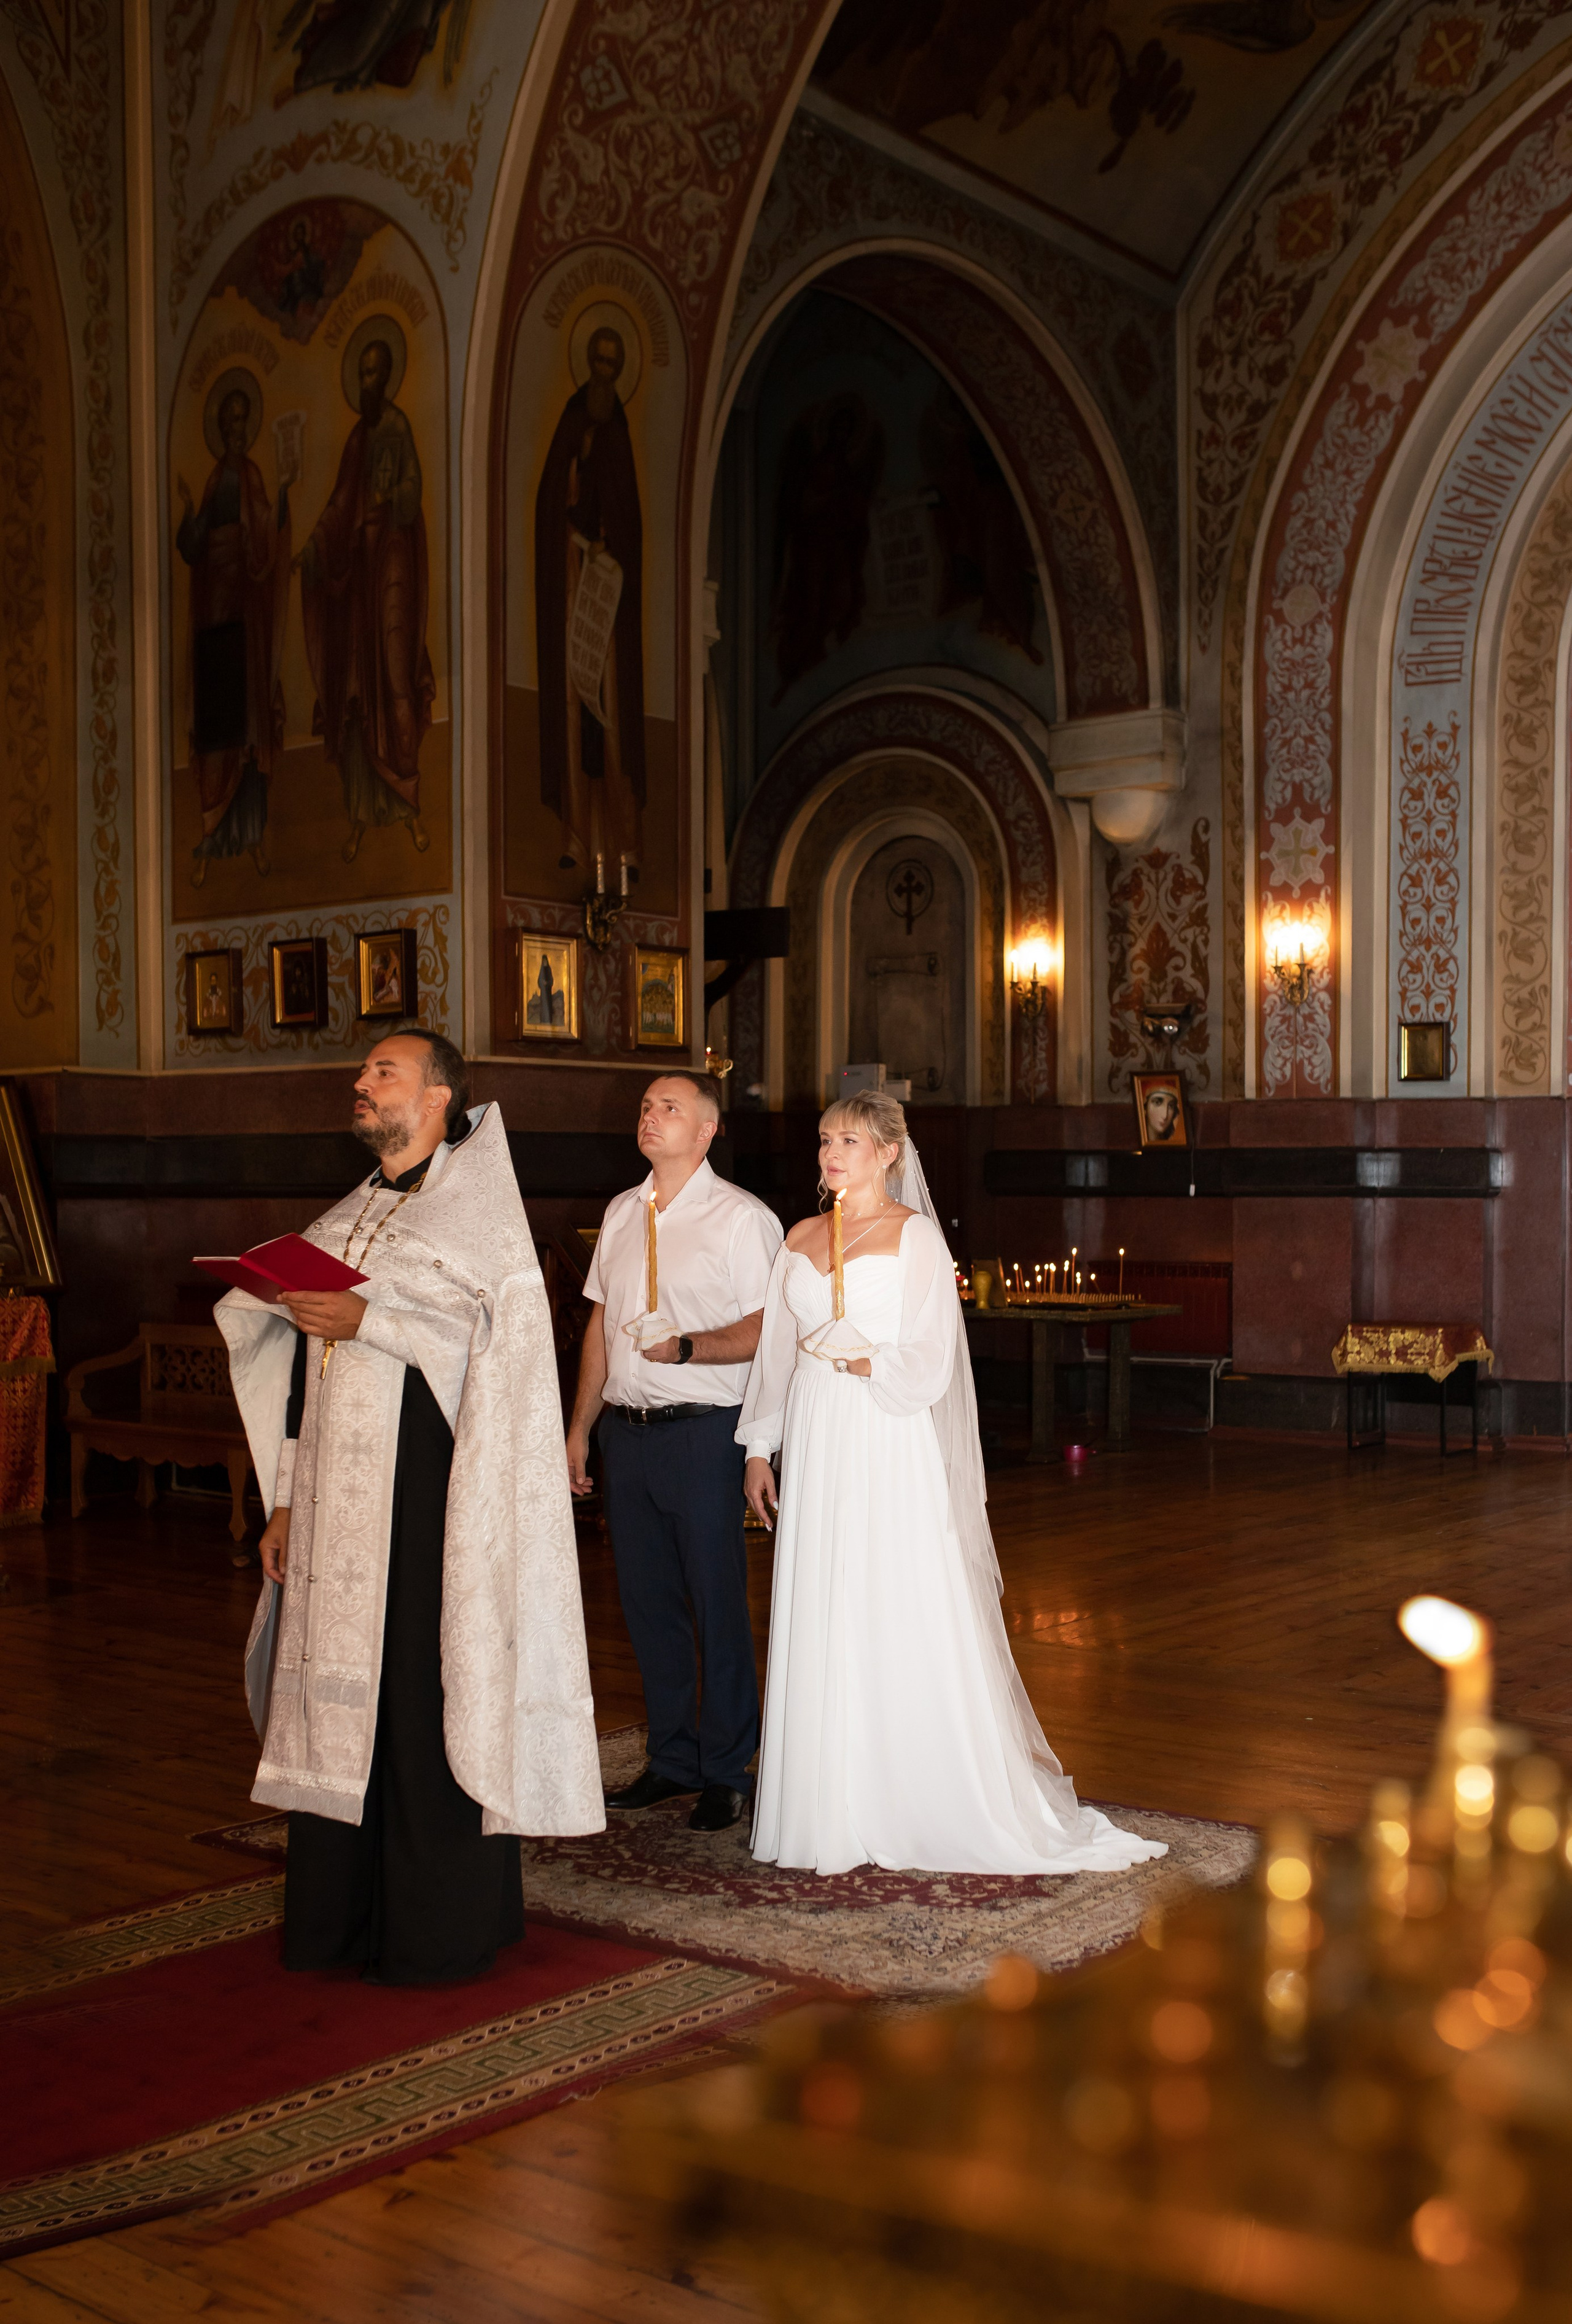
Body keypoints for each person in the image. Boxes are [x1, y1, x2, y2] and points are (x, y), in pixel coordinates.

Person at [217, 1030, 602, 1983]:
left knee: (424, 1699)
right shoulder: (348, 1217)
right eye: (362, 1072)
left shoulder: (481, 1219)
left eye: (381, 1073)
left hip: (436, 1505)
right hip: (339, 1512)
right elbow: (308, 1368)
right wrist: (287, 1502)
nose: (360, 1083)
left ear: (437, 1097)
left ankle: (437, 1931)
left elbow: (497, 1361)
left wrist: (372, 1319)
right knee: (342, 1706)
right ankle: (338, 1921)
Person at [739, 1086, 1169, 1878]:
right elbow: (775, 1353)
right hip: (818, 1429)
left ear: (890, 1153)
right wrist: (760, 1446)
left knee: (892, 1598)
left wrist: (863, 1357)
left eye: (852, 1142)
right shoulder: (798, 1235)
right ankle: (826, 1801)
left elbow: (934, 1358)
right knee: (822, 1598)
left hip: (884, 1433)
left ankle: (918, 1792)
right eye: (827, 1140)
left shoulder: (916, 1240)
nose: (833, 1154)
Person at [566, 1073, 782, 1832]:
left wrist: (691, 1347)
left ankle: (728, 1767)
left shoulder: (740, 1218)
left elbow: (769, 1326)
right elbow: (599, 1325)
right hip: (628, 1434)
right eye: (647, 1105)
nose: (650, 1117)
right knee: (648, 1603)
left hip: (703, 1432)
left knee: (715, 1601)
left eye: (670, 1108)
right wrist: (578, 1427)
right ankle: (672, 1758)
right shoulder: (622, 1211)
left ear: (707, 1131)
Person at [298, 336, 435, 865]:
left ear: (389, 377)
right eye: (363, 375)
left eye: (376, 374)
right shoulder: (357, 439)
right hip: (358, 572)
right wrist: (312, 547)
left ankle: (409, 804)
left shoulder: (398, 427)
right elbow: (338, 504)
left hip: (393, 560)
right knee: (357, 690)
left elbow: (413, 488)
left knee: (396, 678)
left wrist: (389, 500)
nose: (368, 384)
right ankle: (358, 814)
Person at [534, 324, 645, 876]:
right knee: (577, 703)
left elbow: (631, 521)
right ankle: (577, 833)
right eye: (597, 361)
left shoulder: (621, 432)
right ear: (587, 365)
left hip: (609, 586)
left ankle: (622, 840)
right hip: (577, 575)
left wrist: (615, 546)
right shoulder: (572, 423)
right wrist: (572, 478)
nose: (603, 372)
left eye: (612, 364)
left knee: (614, 710)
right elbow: (551, 499)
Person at [176, 380, 291, 887]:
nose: (238, 429)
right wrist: (188, 515)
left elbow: (266, 531)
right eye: (232, 421)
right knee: (215, 731)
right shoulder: (214, 479)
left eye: (245, 420)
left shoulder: (251, 476)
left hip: (243, 618)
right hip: (214, 623)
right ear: (221, 428)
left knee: (247, 728)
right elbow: (194, 546)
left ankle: (253, 839)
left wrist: (284, 491)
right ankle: (209, 834)